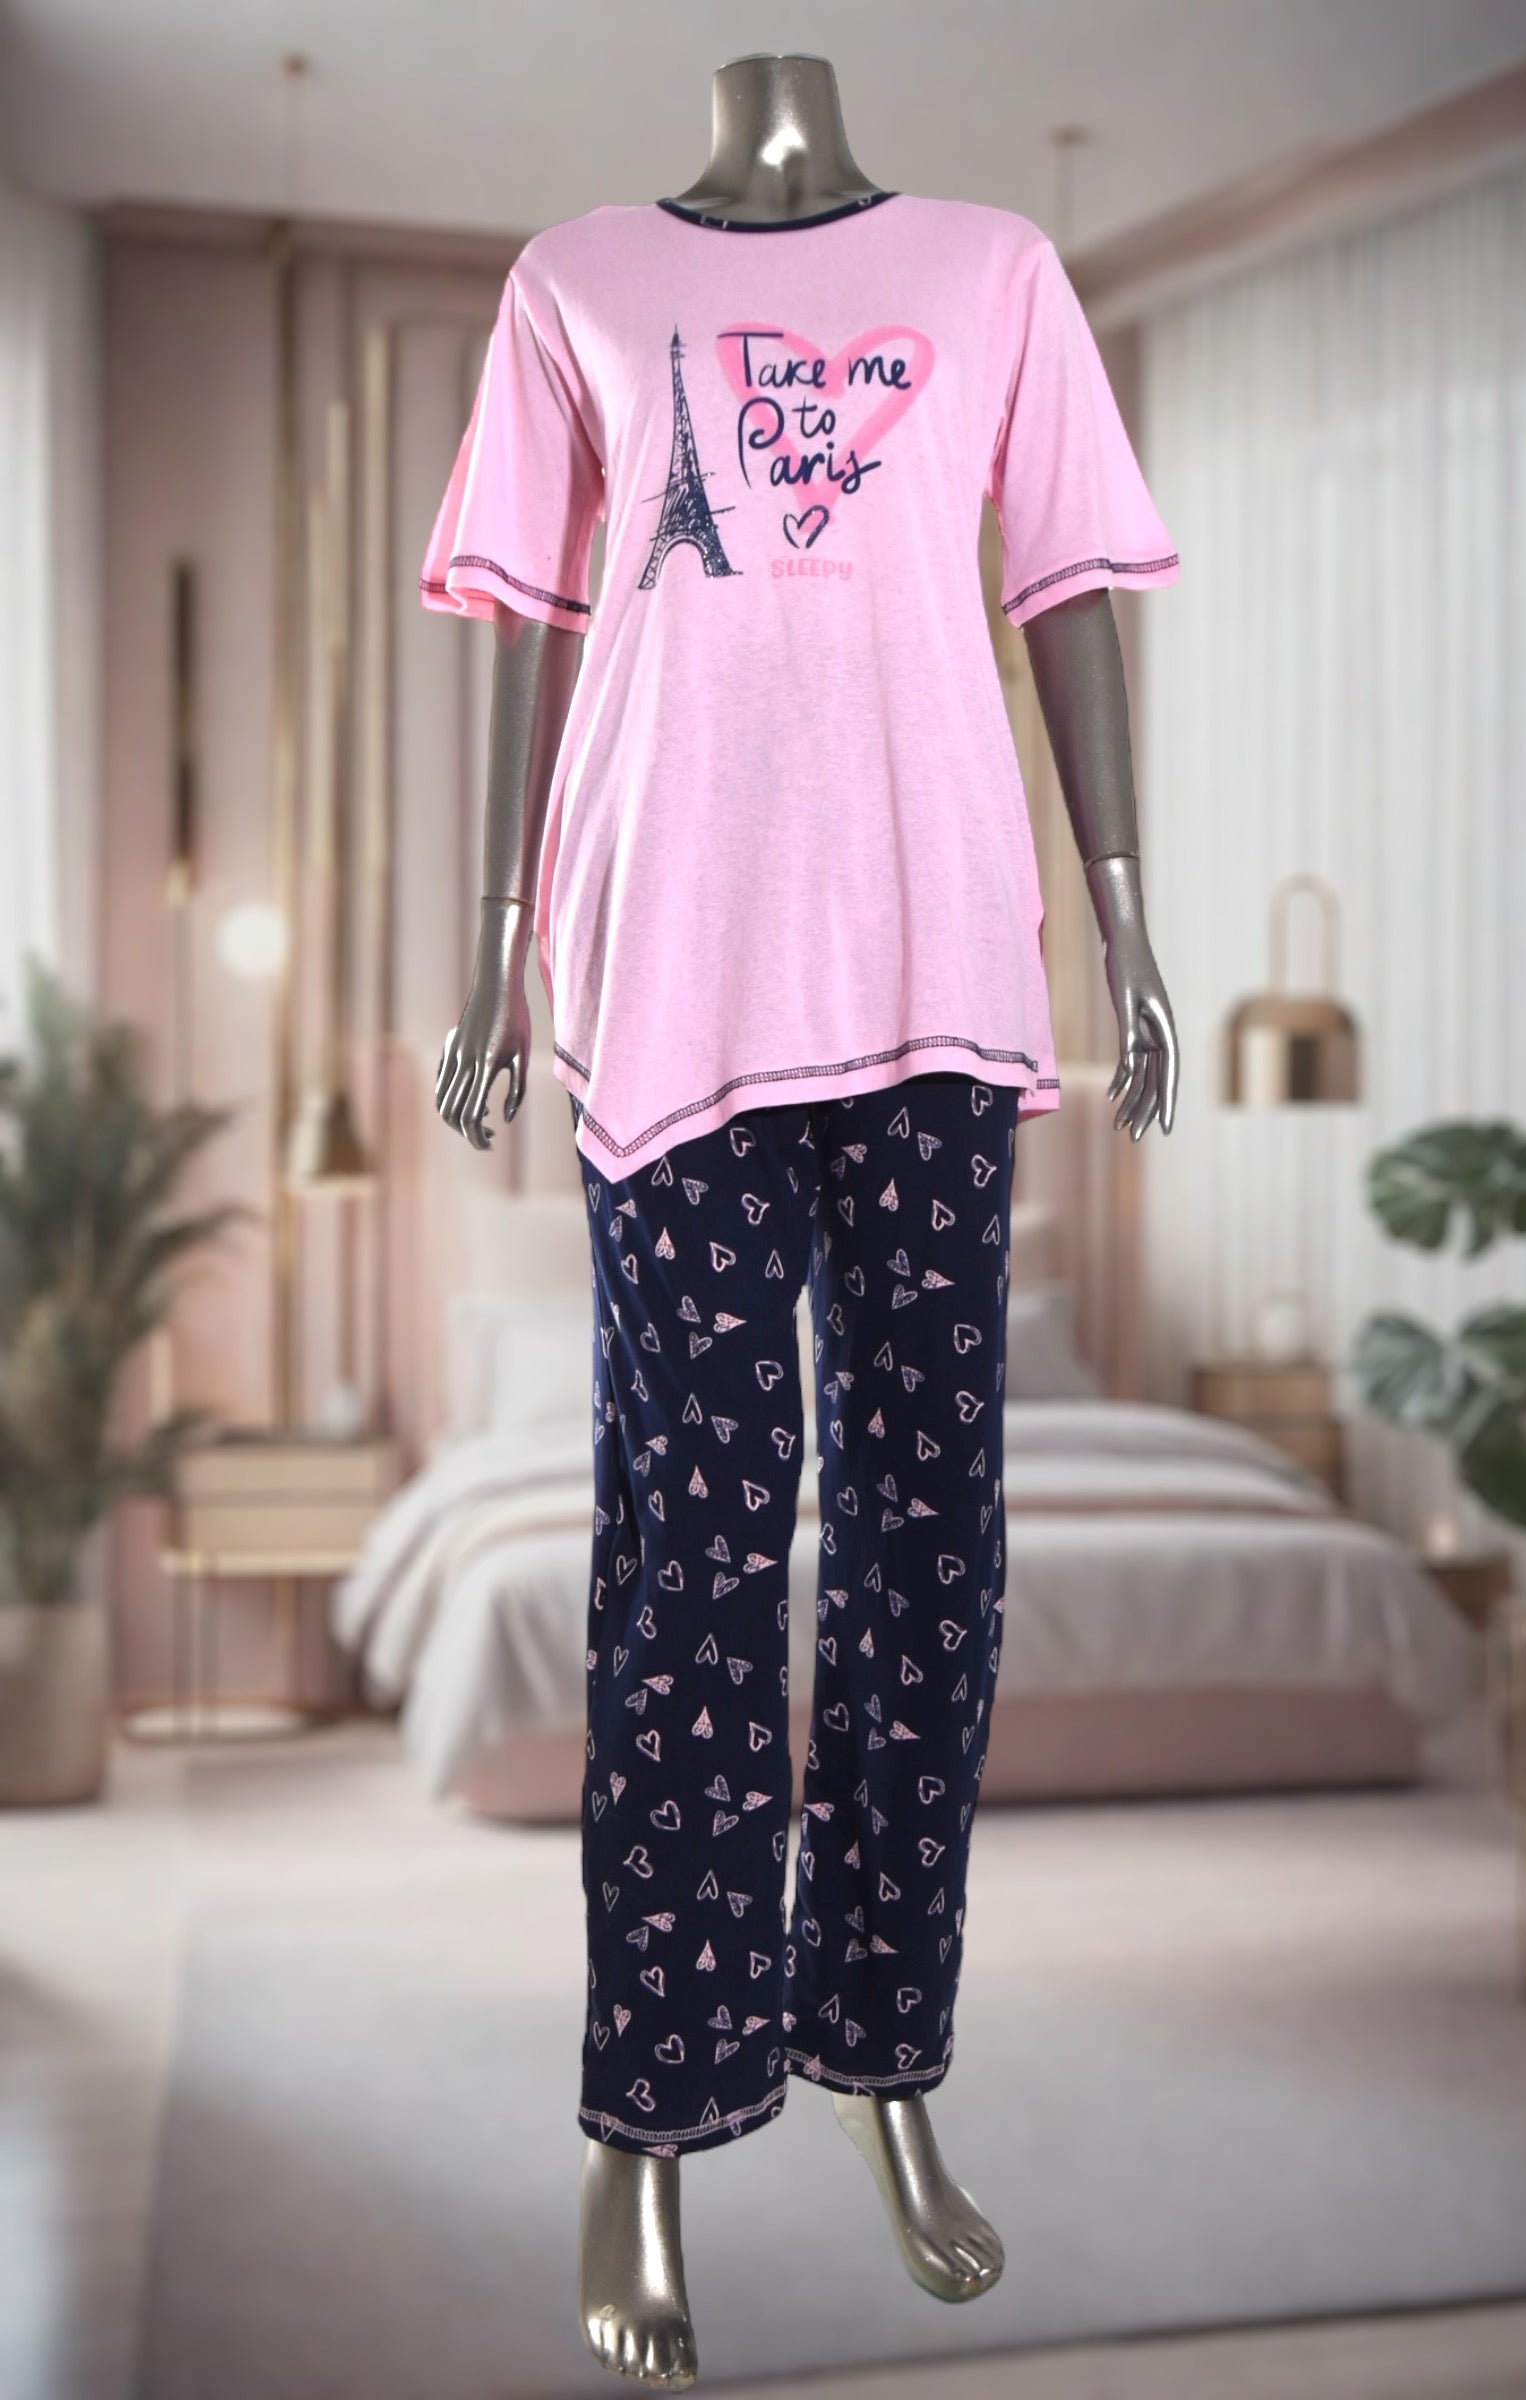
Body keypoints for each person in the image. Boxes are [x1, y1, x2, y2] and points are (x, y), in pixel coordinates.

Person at [426, 50, 1180, 2394]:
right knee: (691, 1549)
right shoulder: (572, 284)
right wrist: (490, 942)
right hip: (670, 972)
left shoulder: (993, 271)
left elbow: (1064, 590)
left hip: (938, 959)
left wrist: (1125, 916)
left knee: (928, 1544)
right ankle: (644, 2123)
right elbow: (530, 622)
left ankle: (881, 2058)